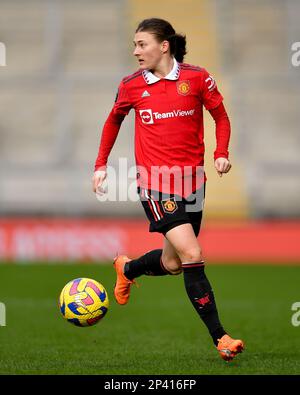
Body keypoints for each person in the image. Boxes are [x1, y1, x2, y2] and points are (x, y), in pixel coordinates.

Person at [92, 18, 244, 362]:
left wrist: (221, 153)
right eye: (134, 45)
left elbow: (220, 116)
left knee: (173, 263)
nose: (135, 51)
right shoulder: (131, 85)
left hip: (194, 184)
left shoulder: (197, 78)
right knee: (193, 255)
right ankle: (221, 337)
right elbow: (113, 119)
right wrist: (101, 164)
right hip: (156, 185)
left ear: (164, 45)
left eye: (141, 44)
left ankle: (127, 269)